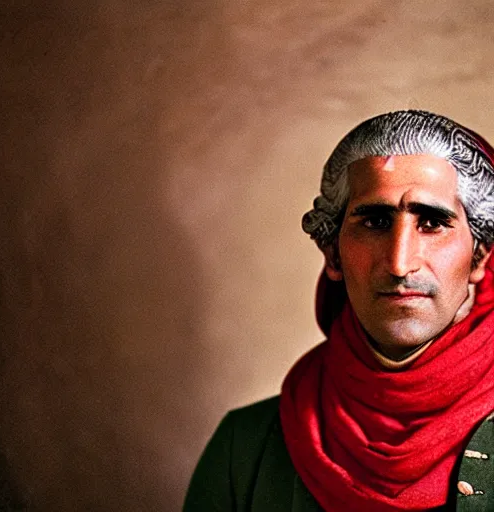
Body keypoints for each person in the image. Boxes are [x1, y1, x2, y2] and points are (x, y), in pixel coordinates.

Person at [183, 110, 494, 511]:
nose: (400, 264)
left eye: (432, 223)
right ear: (332, 253)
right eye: (377, 221)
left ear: (479, 257)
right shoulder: (244, 449)